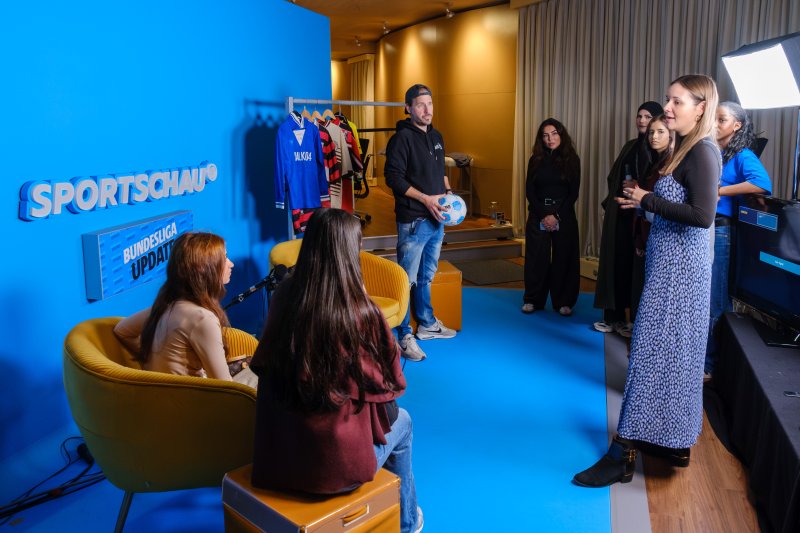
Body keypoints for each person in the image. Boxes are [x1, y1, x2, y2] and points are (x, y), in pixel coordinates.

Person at [573, 74, 721, 487]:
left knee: (649, 359)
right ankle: (672, 441)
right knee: (670, 362)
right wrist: (643, 203)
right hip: (671, 268)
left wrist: (646, 200)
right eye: (667, 100)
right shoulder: (688, 149)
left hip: (678, 278)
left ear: (701, 107)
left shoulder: (703, 152)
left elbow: (703, 215)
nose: (667, 108)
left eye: (676, 102)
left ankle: (623, 454)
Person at [249, 208, 423, 533]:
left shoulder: (284, 296)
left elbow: (265, 363)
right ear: (350, 251)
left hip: (279, 457)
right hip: (335, 470)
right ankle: (407, 522)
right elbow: (389, 391)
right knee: (405, 422)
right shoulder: (362, 312)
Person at [113, 232, 255, 385]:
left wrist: (151, 359)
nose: (231, 264)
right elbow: (226, 388)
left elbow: (122, 330)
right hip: (194, 403)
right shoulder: (202, 318)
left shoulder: (167, 305)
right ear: (204, 268)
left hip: (168, 398)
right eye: (225, 258)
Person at [384, 83, 456, 362]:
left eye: (430, 103)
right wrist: (426, 199)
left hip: (437, 219)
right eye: (420, 105)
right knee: (406, 279)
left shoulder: (436, 136)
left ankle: (426, 324)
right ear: (409, 108)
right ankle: (403, 335)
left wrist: (448, 194)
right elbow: (394, 179)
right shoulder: (401, 139)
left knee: (426, 276)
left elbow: (440, 172)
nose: (427, 110)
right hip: (414, 220)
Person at [705, 101, 772, 378]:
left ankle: (711, 366)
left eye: (722, 120)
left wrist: (721, 189)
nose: (715, 124)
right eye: (715, 119)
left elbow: (762, 184)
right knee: (705, 298)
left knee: (716, 300)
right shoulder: (714, 151)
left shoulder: (743, 155)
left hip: (722, 231)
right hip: (706, 228)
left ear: (737, 125)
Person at [593, 101, 664, 337]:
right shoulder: (631, 145)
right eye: (639, 116)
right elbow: (614, 176)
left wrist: (637, 187)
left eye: (648, 117)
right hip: (622, 215)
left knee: (637, 270)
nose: (643, 121)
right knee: (616, 263)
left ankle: (634, 321)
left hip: (644, 218)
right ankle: (613, 317)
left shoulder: (660, 150)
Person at [521, 118, 581, 315]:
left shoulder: (572, 159)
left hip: (563, 214)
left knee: (564, 257)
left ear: (561, 135)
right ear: (541, 139)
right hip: (539, 212)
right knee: (536, 257)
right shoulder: (535, 160)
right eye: (546, 135)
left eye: (554, 134)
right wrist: (543, 214)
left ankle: (563, 301)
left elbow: (573, 193)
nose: (550, 139)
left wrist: (555, 215)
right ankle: (533, 300)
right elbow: (530, 190)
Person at [630, 114, 675, 320]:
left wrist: (642, 198)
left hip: (667, 238)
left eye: (660, 132)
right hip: (650, 232)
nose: (653, 137)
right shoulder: (654, 163)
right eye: (651, 132)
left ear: (672, 135)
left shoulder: (673, 164)